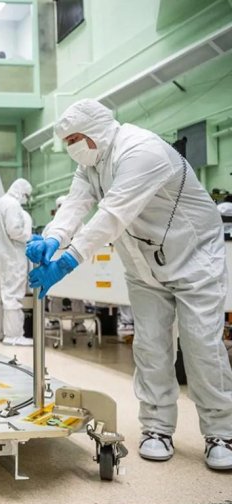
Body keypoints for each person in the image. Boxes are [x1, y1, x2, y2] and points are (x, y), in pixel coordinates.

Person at [27, 98, 232, 469]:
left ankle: (222, 432)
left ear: (96, 131)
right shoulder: (91, 163)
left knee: (201, 344)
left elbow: (112, 215)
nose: (72, 146)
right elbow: (76, 205)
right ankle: (156, 429)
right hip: (143, 265)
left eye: (76, 138)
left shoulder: (142, 151)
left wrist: (68, 261)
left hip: (193, 257)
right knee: (150, 347)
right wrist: (52, 238)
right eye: (68, 140)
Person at [0, 179, 34, 346]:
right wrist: (29, 237)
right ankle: (13, 335)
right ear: (22, 192)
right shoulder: (12, 205)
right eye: (26, 196)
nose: (26, 199)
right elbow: (14, 231)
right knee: (13, 295)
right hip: (11, 256)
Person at [45, 195, 87, 333]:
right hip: (56, 265)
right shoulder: (51, 226)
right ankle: (54, 321)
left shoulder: (80, 225)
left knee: (77, 295)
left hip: (75, 266)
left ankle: (78, 323)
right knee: (56, 295)